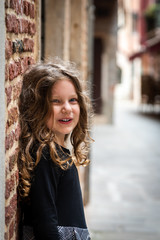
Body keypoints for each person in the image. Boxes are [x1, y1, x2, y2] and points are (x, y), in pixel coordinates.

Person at [18, 59, 93, 240]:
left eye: (72, 100)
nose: (67, 108)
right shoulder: (46, 156)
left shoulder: (57, 153)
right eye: (56, 101)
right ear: (37, 107)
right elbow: (45, 225)